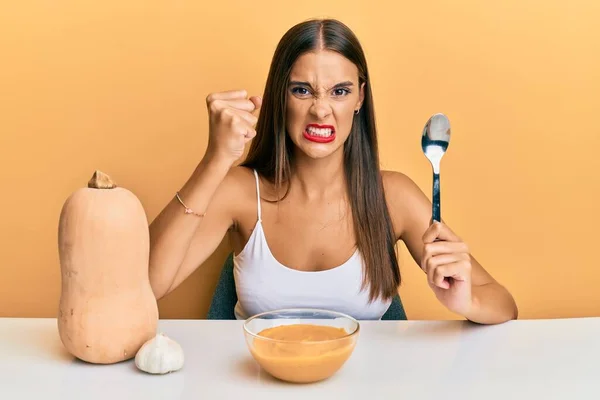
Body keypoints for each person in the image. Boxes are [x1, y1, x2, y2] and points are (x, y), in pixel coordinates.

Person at [148, 18, 518, 324]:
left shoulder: (394, 197)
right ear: (280, 95)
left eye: (339, 92)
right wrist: (215, 160)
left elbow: (503, 304)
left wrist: (465, 301)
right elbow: (145, 286)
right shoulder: (240, 191)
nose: (321, 110)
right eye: (302, 90)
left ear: (360, 97)